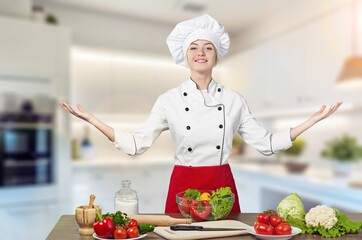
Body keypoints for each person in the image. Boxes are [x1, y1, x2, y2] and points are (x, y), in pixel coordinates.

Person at [59, 14, 342, 213]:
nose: (201, 52)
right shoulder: (168, 100)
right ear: (185, 56)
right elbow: (135, 145)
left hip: (221, 186)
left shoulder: (234, 100)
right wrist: (93, 120)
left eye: (208, 47)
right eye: (193, 47)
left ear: (217, 55)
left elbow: (266, 144)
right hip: (183, 186)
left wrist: (311, 120)